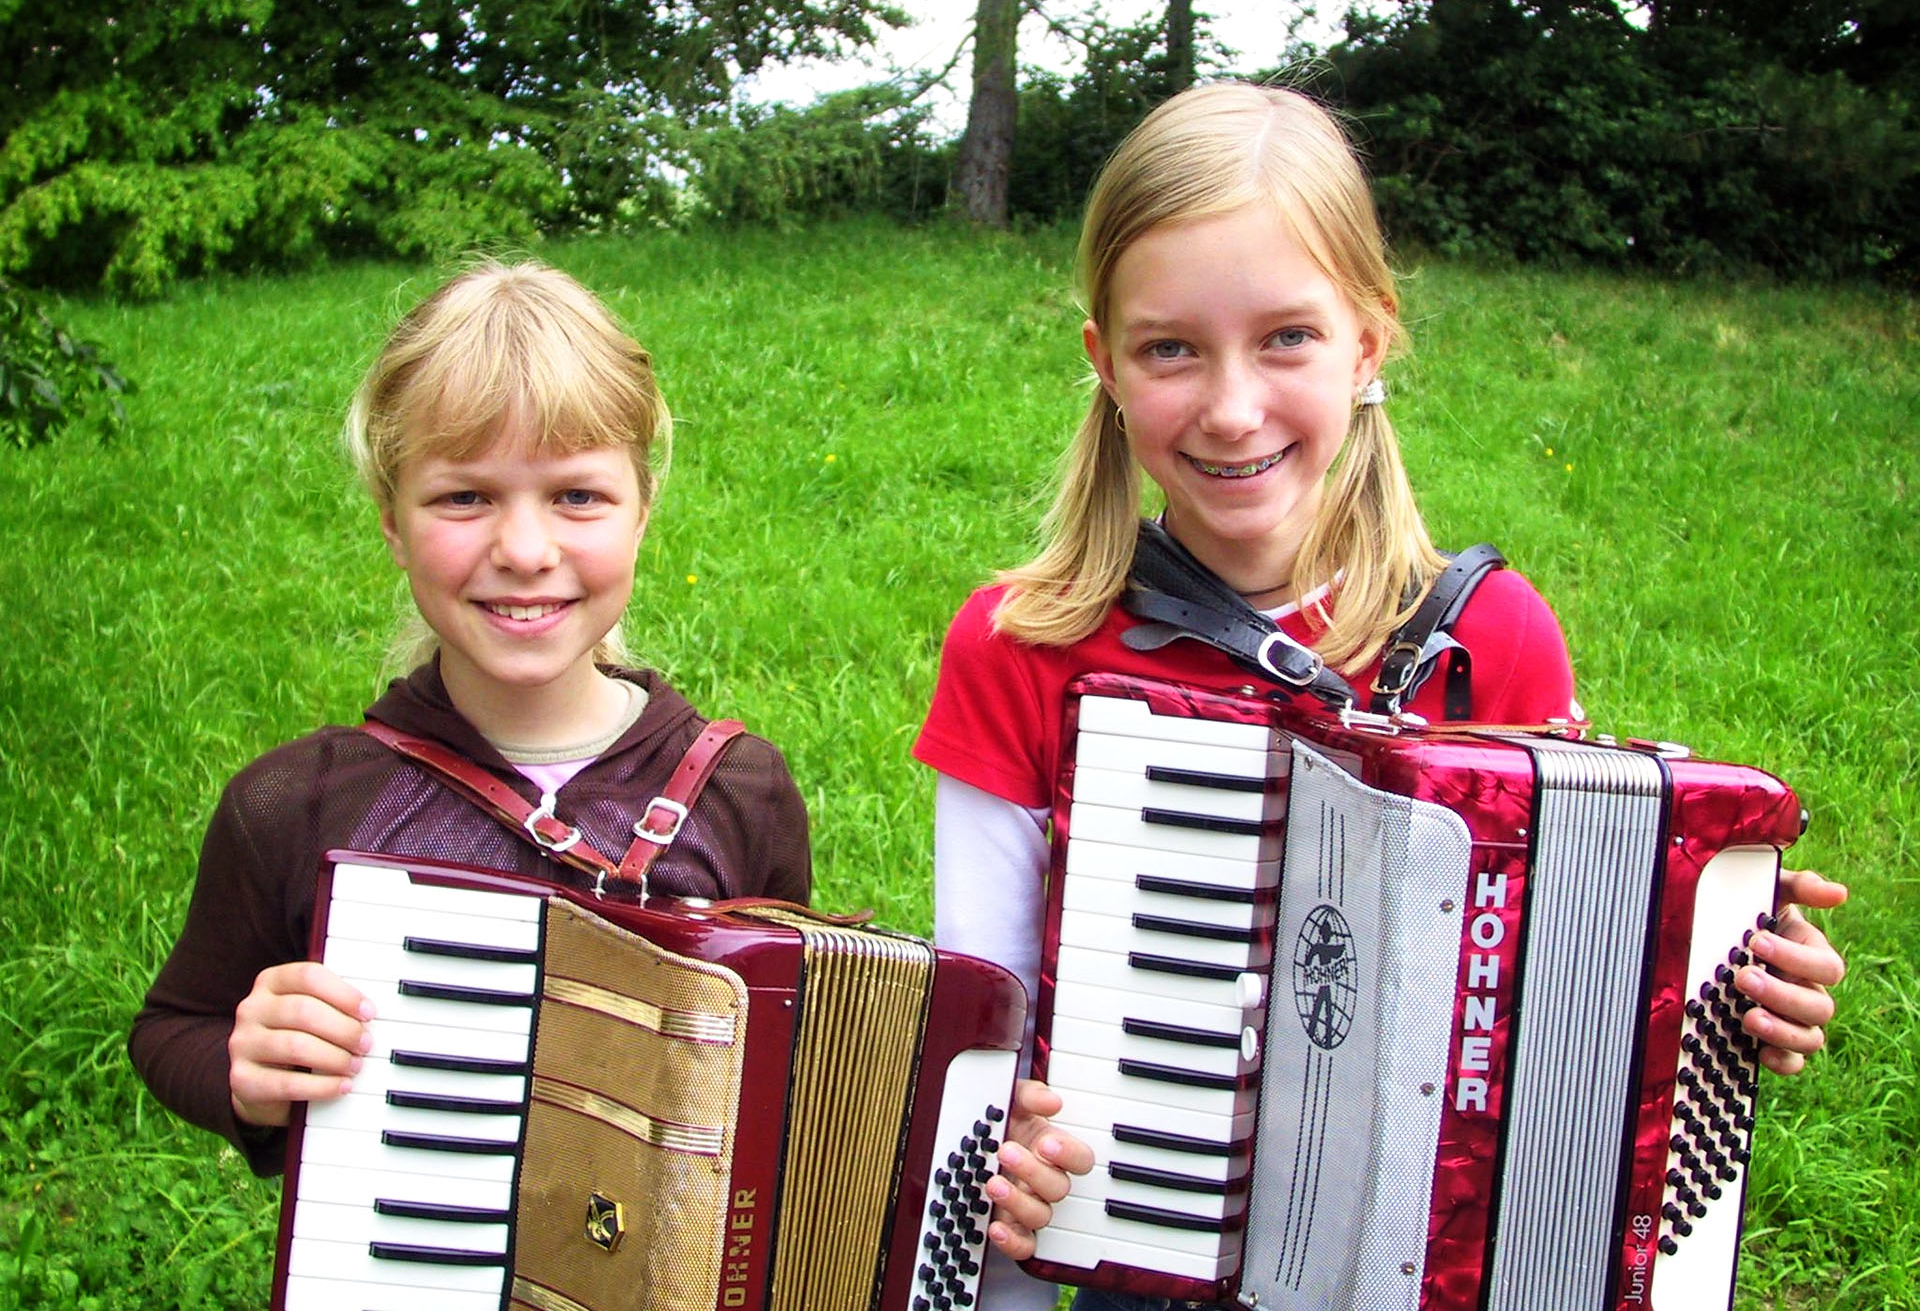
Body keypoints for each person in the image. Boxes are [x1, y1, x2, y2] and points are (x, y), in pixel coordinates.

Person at [913, 82, 1847, 1311]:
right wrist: (999, 1143)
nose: (1232, 407)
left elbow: (1567, 985)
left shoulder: (1488, 641)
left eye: (1287, 337)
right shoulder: (1025, 644)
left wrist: (1726, 990)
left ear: (1370, 341)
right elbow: (978, 1035)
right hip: (1147, 1255)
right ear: (1105, 363)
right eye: (1170, 348)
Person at [129, 259, 810, 1178]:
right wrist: (241, 1072)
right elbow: (175, 1027)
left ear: (642, 511)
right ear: (390, 520)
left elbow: (791, 1060)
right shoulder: (297, 804)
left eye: (577, 495)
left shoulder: (743, 790)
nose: (525, 551)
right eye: (464, 496)